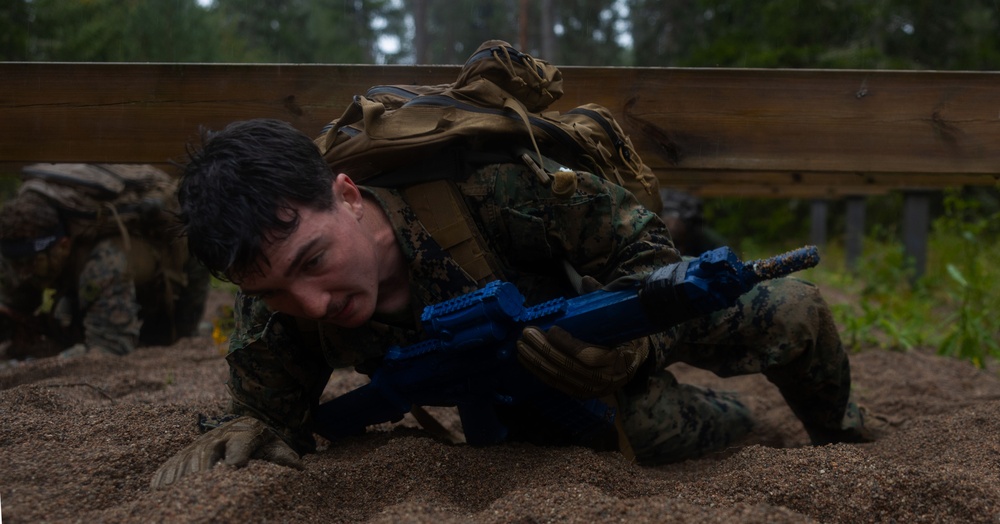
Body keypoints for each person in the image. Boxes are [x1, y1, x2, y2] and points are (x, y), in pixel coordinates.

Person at [151, 118, 876, 487]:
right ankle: (739, 421)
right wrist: (245, 431)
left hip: (606, 318)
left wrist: (632, 345)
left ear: (345, 195)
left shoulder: (495, 188)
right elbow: (269, 415)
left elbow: (652, 261)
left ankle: (845, 445)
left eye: (314, 260)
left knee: (792, 306)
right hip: (534, 409)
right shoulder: (273, 307)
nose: (308, 304)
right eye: (272, 290)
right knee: (654, 436)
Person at [0, 170, 210, 359]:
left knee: (167, 337)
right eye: (16, 263)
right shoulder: (22, 257)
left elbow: (109, 349)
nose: (22, 273)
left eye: (31, 263)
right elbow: (10, 307)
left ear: (63, 246)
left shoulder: (104, 264)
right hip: (85, 274)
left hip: (181, 265)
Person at [659, 189, 728, 257]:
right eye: (662, 215)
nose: (665, 221)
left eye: (672, 215)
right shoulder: (653, 235)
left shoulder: (706, 240)